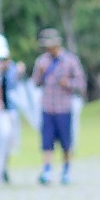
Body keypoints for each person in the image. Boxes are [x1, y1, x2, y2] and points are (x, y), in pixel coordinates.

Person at [32, 27, 86, 184]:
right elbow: (35, 83)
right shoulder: (41, 61)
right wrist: (40, 73)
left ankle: (66, 171)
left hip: (64, 107)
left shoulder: (70, 61)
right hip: (47, 107)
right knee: (46, 141)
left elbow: (81, 84)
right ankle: (47, 170)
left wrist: (68, 83)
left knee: (66, 142)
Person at [0, 33, 25, 186]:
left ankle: (3, 169)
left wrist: (14, 70)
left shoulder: (11, 68)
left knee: (9, 142)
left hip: (10, 111)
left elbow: (15, 86)